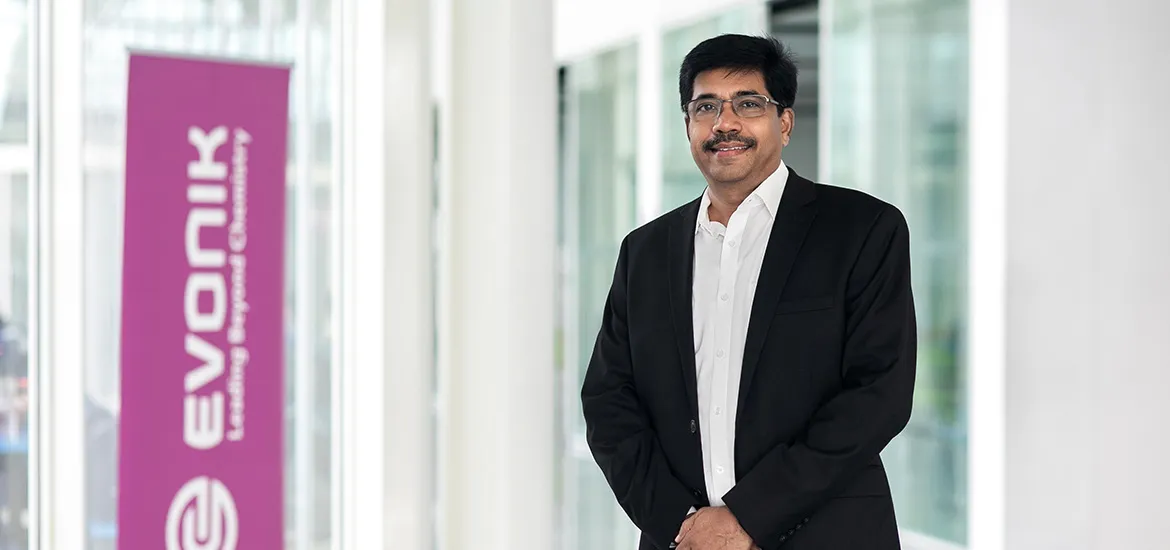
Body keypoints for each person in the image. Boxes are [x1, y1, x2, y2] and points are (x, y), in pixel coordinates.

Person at [581, 34, 917, 550]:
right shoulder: (645, 252)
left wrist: (746, 518)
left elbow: (879, 396)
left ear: (784, 122)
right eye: (706, 106)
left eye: (748, 104)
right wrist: (681, 523)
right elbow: (609, 403)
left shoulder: (862, 229)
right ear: (688, 125)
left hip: (826, 534)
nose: (725, 123)